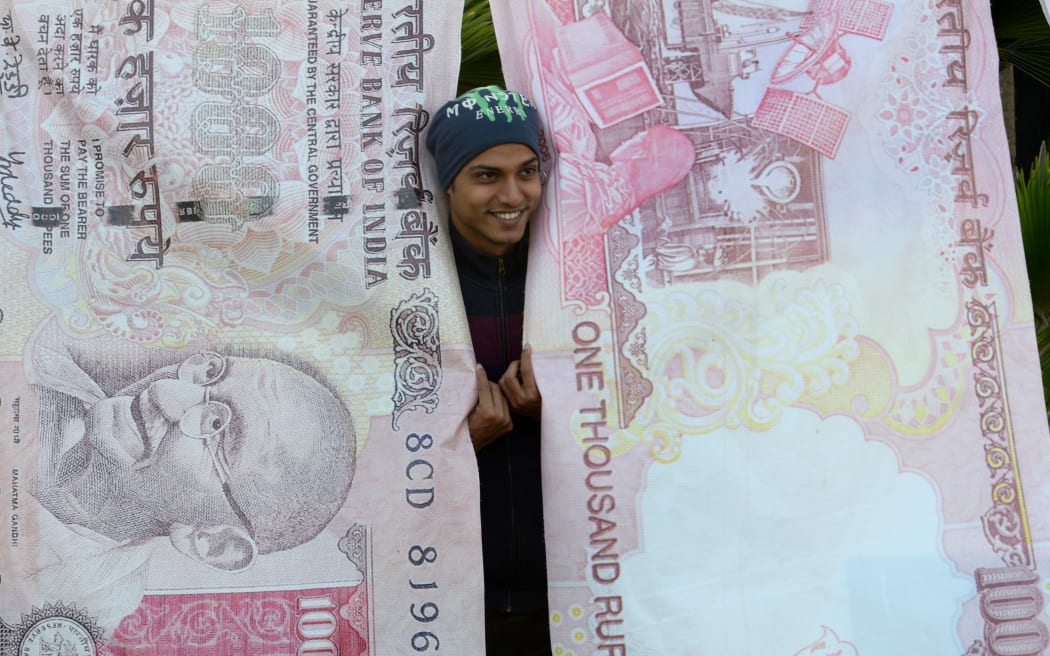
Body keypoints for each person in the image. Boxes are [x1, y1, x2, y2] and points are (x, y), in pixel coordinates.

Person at [28, 326, 357, 574]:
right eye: (211, 373)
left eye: (216, 428)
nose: (164, 390)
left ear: (214, 542)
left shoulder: (51, 581)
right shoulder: (47, 362)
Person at [426, 86, 550, 655]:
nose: (513, 195)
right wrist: (460, 445)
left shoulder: (571, 284)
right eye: (486, 176)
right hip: (449, 603)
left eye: (527, 172)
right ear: (448, 183)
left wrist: (558, 416)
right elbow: (364, 454)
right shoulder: (411, 295)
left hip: (575, 594)